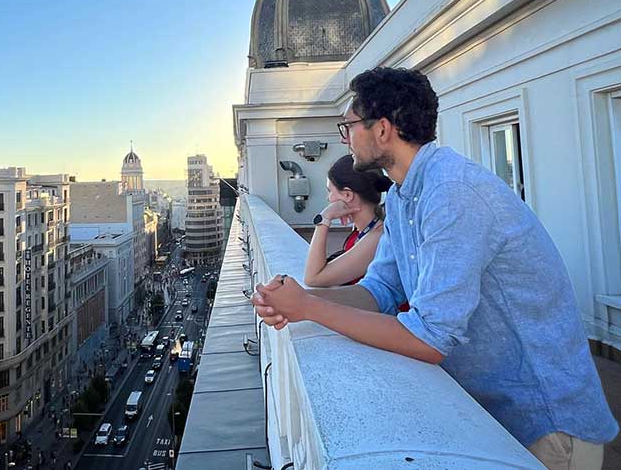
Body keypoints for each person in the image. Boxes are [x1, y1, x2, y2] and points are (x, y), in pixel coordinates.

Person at [252, 66, 617, 469]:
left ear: (383, 129)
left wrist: (309, 309)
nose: (346, 137)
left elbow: (430, 338)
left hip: (546, 429)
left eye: (349, 125)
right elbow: (379, 290)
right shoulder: (406, 195)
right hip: (496, 417)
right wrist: (298, 299)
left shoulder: (452, 193)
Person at [303, 154, 392, 287]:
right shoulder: (362, 231)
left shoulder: (377, 238)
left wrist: (324, 219)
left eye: (330, 191)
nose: (329, 199)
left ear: (347, 195)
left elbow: (313, 278)